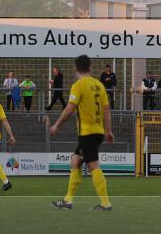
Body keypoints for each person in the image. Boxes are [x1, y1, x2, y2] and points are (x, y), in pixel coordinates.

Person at [49, 54, 114, 211]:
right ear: (90, 67)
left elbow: (70, 108)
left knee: (93, 166)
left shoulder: (78, 85)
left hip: (88, 133)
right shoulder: (99, 85)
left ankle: (106, 204)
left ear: (75, 68)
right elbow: (106, 111)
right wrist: (108, 131)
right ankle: (68, 201)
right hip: (97, 132)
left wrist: (56, 125)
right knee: (76, 160)